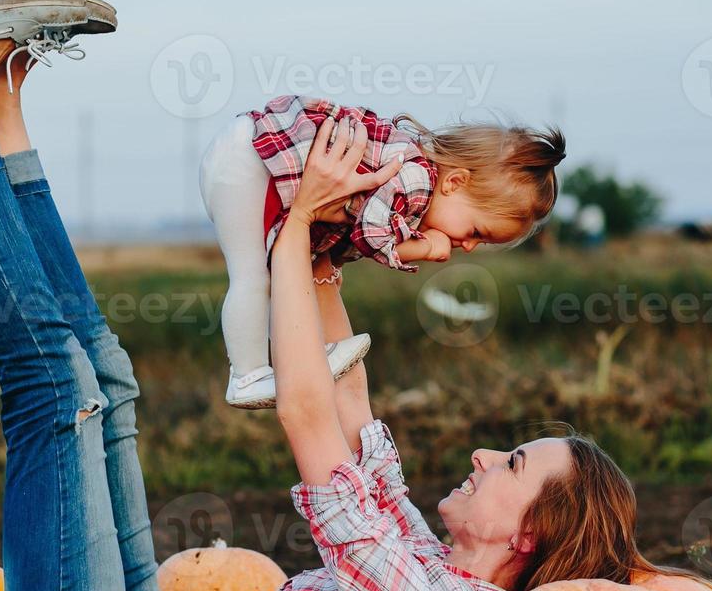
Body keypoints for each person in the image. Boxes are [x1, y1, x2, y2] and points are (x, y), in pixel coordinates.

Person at [0, 0, 674, 591]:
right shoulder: (430, 567)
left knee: (57, 388)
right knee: (112, 379)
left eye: (511, 464)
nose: (482, 453)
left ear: (528, 537)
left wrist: (296, 225)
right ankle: (2, 104)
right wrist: (329, 242)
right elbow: (349, 399)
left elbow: (306, 413)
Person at [201, 94, 563, 407]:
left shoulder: (415, 187)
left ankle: (297, 357)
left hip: (254, 161)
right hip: (249, 160)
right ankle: (246, 377)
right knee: (252, 277)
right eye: (476, 232)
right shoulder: (417, 179)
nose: (468, 246)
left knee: (283, 280)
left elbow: (343, 231)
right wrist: (420, 249)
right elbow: (369, 234)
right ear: (455, 183)